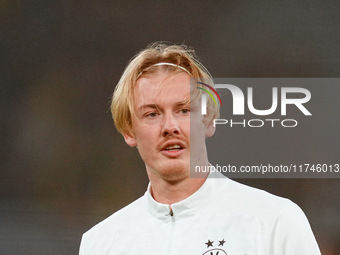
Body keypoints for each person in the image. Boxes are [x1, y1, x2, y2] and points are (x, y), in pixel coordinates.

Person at [79, 42, 321, 255]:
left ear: (209, 120)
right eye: (152, 114)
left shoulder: (276, 221)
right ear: (129, 131)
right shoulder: (100, 243)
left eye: (184, 110)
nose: (170, 126)